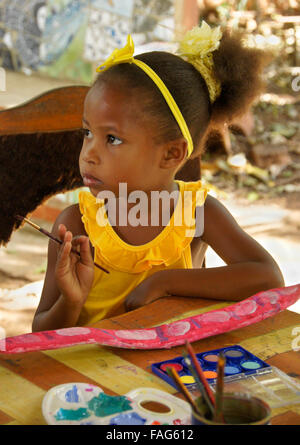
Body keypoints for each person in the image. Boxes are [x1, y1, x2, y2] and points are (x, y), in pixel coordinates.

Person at [32, 22, 284, 332]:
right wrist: (71, 301)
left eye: (112, 138)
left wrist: (165, 281)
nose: (88, 154)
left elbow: (268, 278)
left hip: (170, 375)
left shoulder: (197, 214)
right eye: (87, 132)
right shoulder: (74, 227)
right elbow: (41, 334)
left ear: (171, 155)